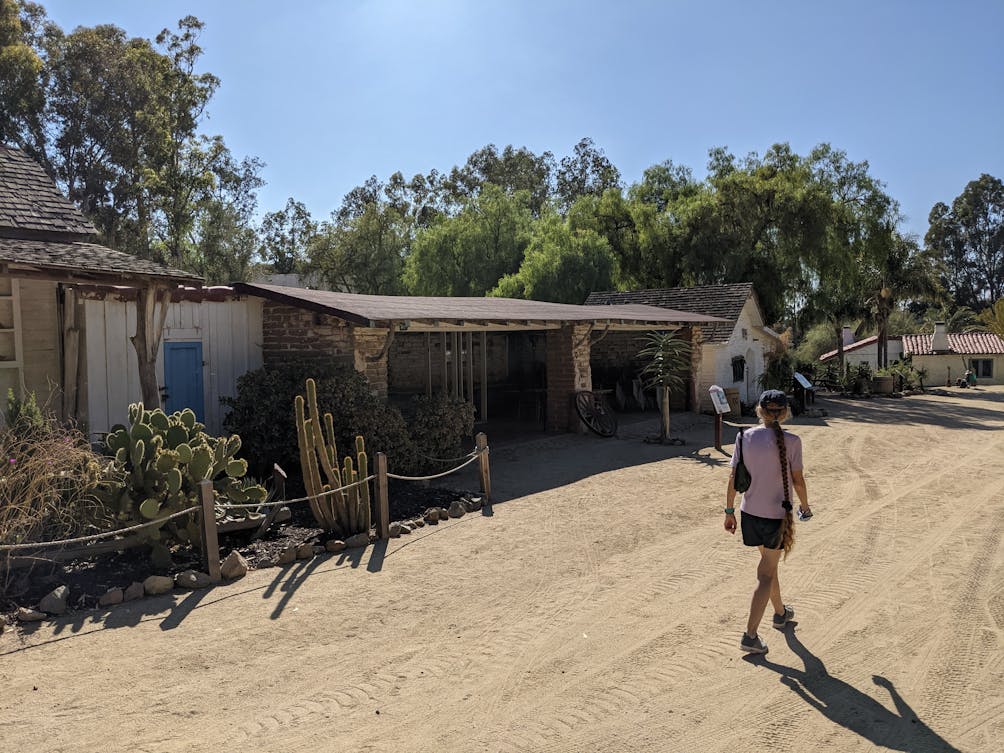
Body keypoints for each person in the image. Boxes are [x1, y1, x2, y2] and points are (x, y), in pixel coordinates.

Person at [724, 389, 811, 654]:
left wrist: (728, 511)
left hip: (749, 513)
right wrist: (805, 507)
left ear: (759, 411)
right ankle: (749, 636)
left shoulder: (743, 437)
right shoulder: (793, 441)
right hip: (776, 517)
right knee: (765, 574)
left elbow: (733, 477)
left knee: (768, 566)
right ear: (784, 414)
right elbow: (797, 481)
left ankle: (780, 613)